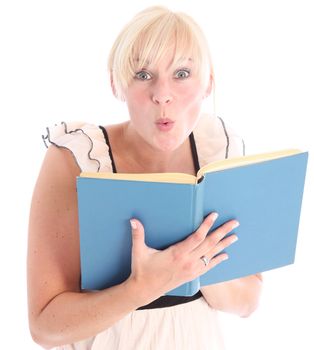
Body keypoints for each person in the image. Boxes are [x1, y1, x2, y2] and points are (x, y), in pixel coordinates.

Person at [27, 6, 263, 349]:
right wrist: (141, 287)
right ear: (116, 84)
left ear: (209, 83)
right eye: (143, 74)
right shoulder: (76, 159)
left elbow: (248, 299)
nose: (162, 94)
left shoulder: (219, 151)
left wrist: (190, 267)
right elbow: (44, 326)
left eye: (182, 73)